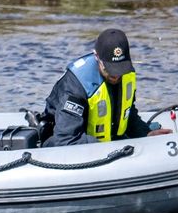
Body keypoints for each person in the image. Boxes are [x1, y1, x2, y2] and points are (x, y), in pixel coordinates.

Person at [40, 28, 170, 147]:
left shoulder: (126, 74)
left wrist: (145, 133)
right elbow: (66, 139)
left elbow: (127, 114)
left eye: (120, 68)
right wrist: (109, 148)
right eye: (110, 69)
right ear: (96, 57)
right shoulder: (76, 84)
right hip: (63, 143)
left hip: (104, 142)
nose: (116, 75)